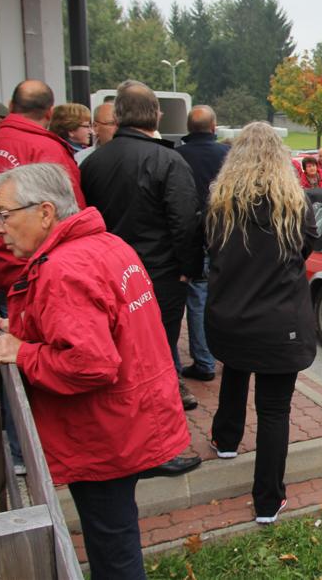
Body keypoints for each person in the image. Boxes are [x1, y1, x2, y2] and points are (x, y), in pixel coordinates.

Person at [0, 164, 191, 580]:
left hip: (104, 430)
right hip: (129, 417)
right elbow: (103, 325)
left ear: (45, 212)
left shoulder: (64, 267)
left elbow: (90, 362)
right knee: (114, 535)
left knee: (113, 551)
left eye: (3, 215)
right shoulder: (107, 244)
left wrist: (22, 352)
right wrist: (23, 329)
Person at [204, 123, 318, 523]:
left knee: (235, 371)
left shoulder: (221, 202)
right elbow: (306, 245)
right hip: (277, 319)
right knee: (274, 409)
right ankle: (267, 499)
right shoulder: (291, 203)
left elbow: (207, 248)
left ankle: (226, 439)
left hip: (233, 313)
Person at [80, 80, 204, 414]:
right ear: (156, 116)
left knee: (120, 346)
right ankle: (159, 415)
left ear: (118, 117)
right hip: (159, 275)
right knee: (160, 345)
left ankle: (130, 410)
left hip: (109, 274)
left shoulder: (92, 163)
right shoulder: (167, 160)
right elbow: (185, 221)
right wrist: (188, 269)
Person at [0, 80, 85, 303]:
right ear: (49, 113)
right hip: (38, 276)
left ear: (10, 107)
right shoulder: (49, 150)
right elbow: (73, 216)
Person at [176, 105, 230, 382]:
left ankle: (205, 360)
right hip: (224, 237)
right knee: (224, 297)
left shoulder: (177, 156)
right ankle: (224, 353)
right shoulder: (226, 155)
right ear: (213, 127)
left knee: (197, 301)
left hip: (193, 238)